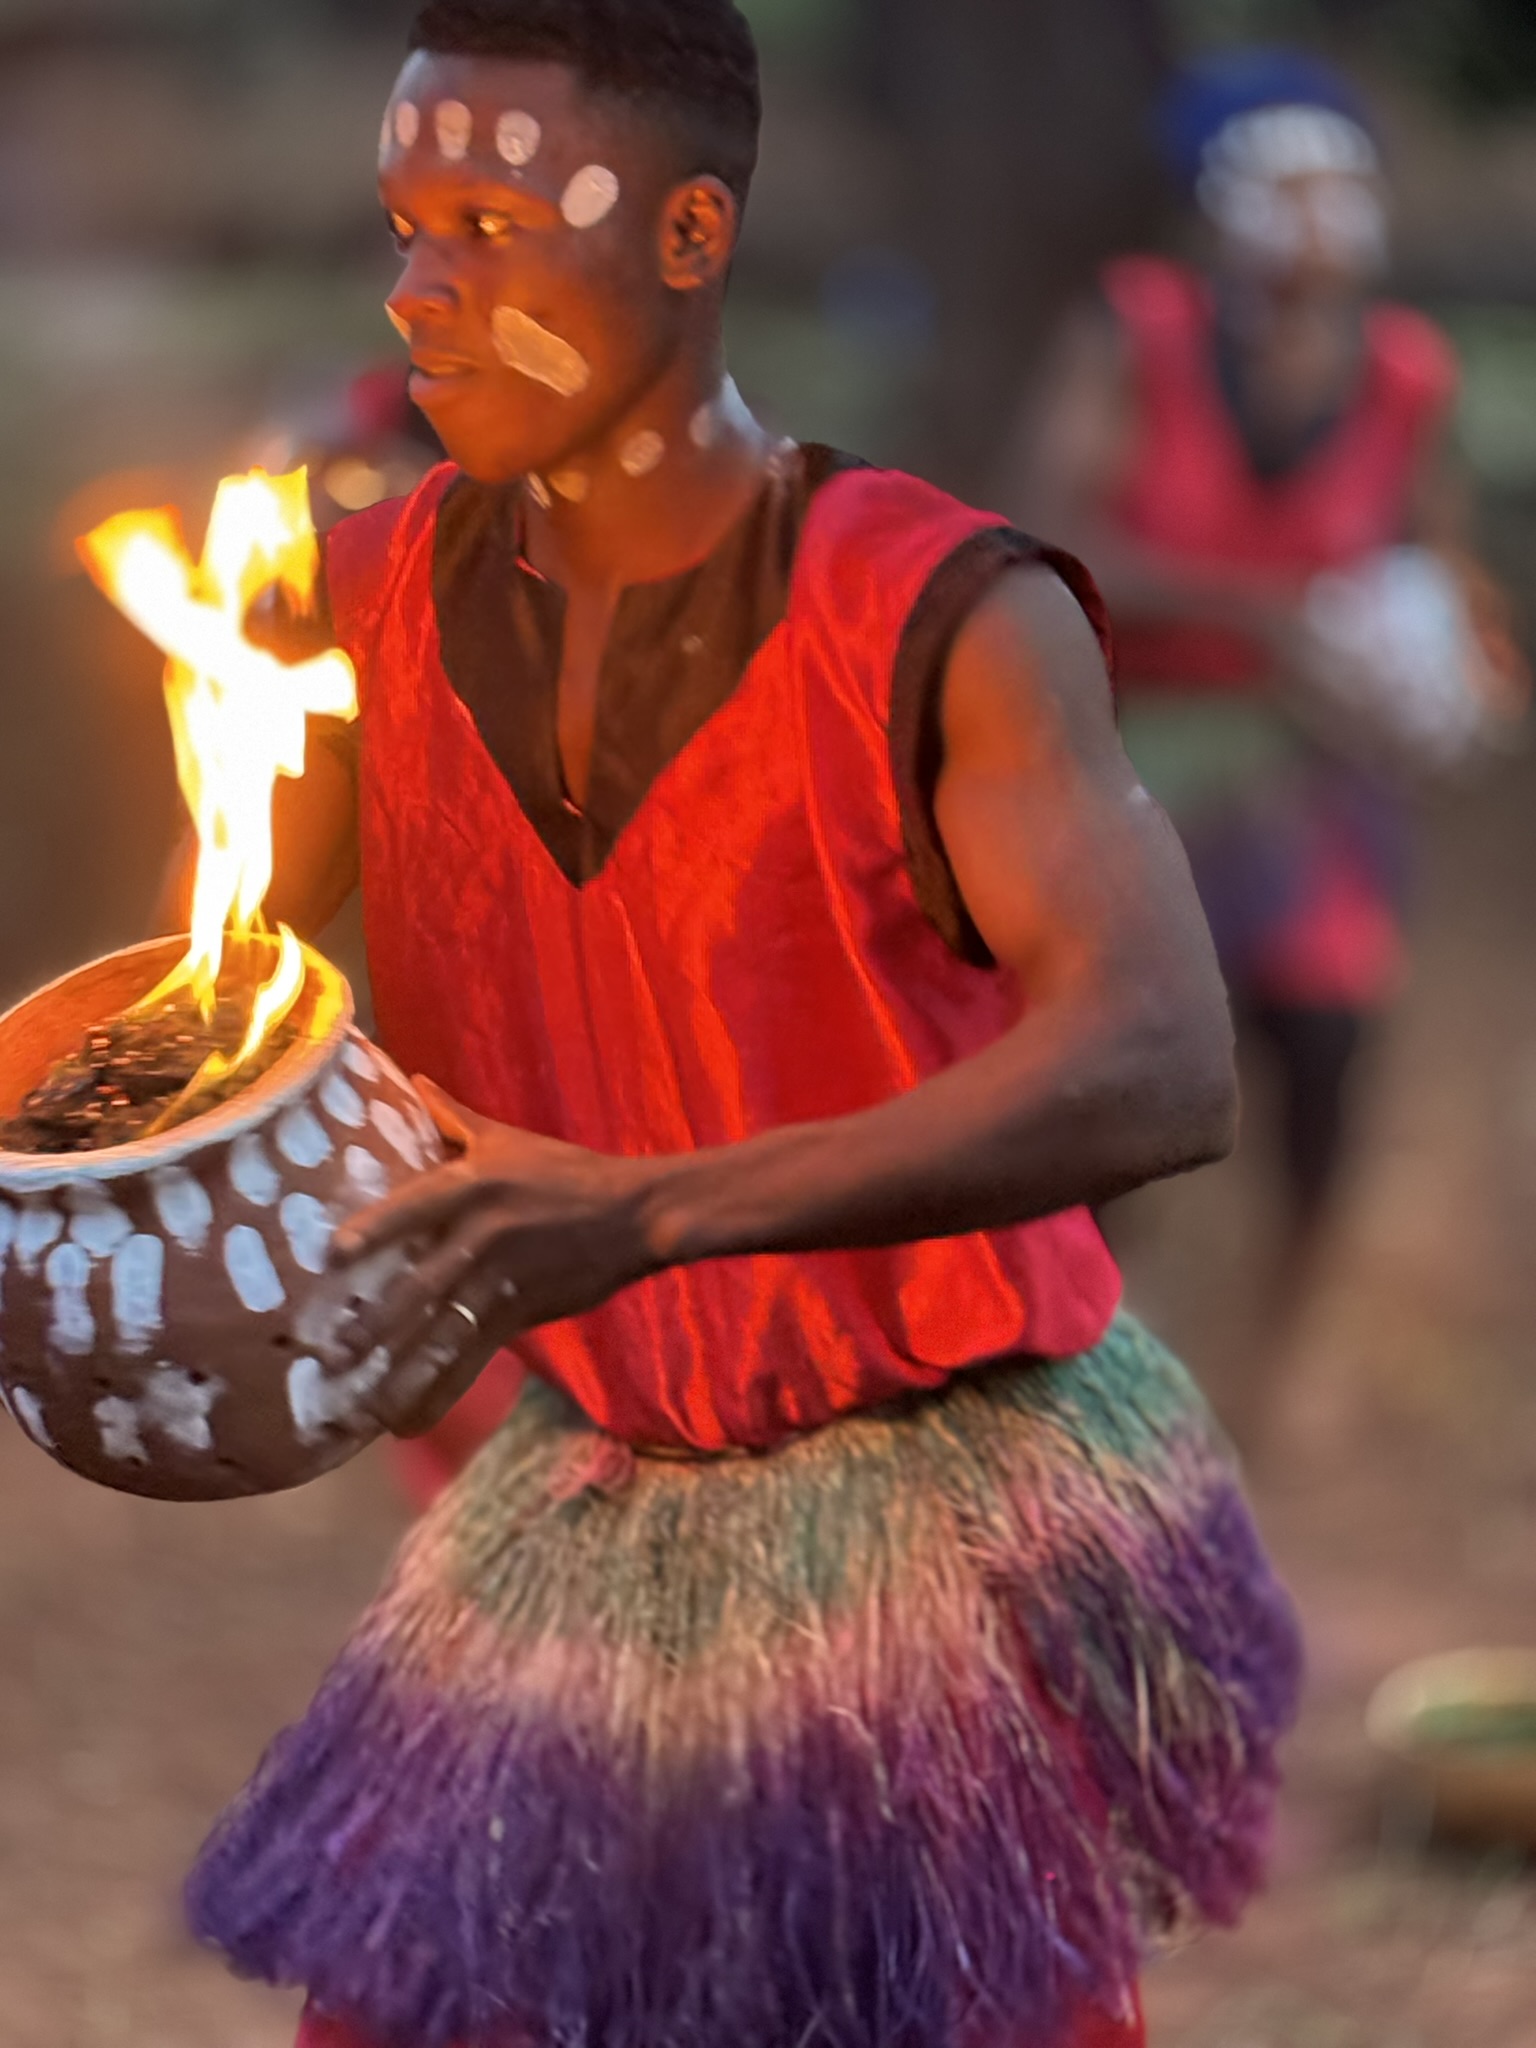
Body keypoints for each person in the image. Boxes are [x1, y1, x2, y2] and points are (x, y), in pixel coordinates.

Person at [183, 6, 1302, 2045]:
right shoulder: (350, 613)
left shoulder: (938, 608)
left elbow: (1160, 1055)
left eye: (494, 227)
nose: (422, 290)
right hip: (591, 1483)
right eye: (405, 227)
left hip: (927, 1508)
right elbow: (213, 1009)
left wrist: (657, 1210)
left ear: (689, 231)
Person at [1011, 51, 1526, 1406]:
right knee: (1124, 1074)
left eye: (1337, 188)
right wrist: (1269, 613)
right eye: (1288, 189)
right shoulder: (1139, 332)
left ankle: (1274, 1364)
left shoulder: (1405, 375)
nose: (1318, 219)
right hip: (1146, 761)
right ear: (1223, 205)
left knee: (1324, 1062)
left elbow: (1439, 556)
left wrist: (1467, 662)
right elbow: (1055, 536)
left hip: (1318, 781)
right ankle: (1088, 1345)